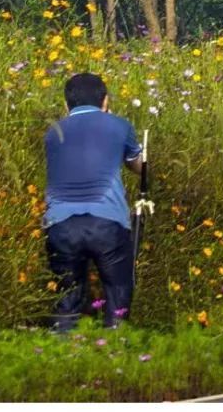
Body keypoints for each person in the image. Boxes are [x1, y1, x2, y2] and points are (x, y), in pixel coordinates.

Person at [43, 73, 143, 332]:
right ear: (105, 101)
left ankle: (62, 357)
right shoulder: (120, 126)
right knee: (118, 291)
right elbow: (138, 166)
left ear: (66, 105)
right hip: (107, 223)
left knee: (67, 299)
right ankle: (114, 349)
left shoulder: (52, 134)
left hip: (60, 225)